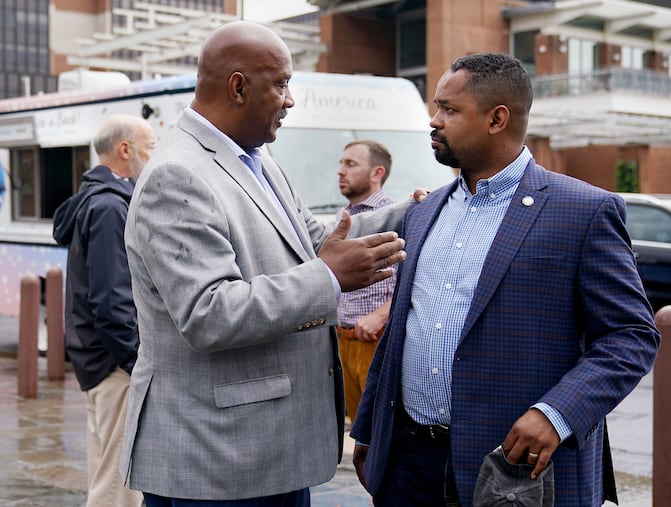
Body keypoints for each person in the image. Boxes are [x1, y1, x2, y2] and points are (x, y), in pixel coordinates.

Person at [350, 53, 661, 506]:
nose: (433, 122)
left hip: (515, 473)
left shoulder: (583, 210)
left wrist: (555, 415)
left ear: (497, 118)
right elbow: (403, 329)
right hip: (408, 465)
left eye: (449, 110)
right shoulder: (423, 211)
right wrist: (369, 432)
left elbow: (630, 336)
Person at [119, 20, 408, 506]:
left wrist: (420, 209)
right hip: (220, 462)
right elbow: (209, 313)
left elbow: (315, 239)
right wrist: (329, 279)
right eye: (281, 83)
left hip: (263, 453)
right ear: (238, 87)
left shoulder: (256, 159)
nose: (290, 99)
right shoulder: (178, 175)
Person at [53, 113, 156, 507]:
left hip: (97, 359)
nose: (154, 155)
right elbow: (112, 300)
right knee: (118, 484)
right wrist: (135, 361)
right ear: (125, 149)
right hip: (114, 364)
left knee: (110, 473)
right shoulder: (111, 208)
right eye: (150, 147)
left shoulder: (95, 201)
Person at [335, 140, 396, 426]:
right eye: (340, 163)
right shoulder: (342, 218)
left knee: (379, 435)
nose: (340, 171)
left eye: (350, 164)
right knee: (359, 438)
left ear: (377, 173)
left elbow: (418, 279)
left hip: (375, 343)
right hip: (341, 343)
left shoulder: (395, 215)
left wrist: (380, 316)